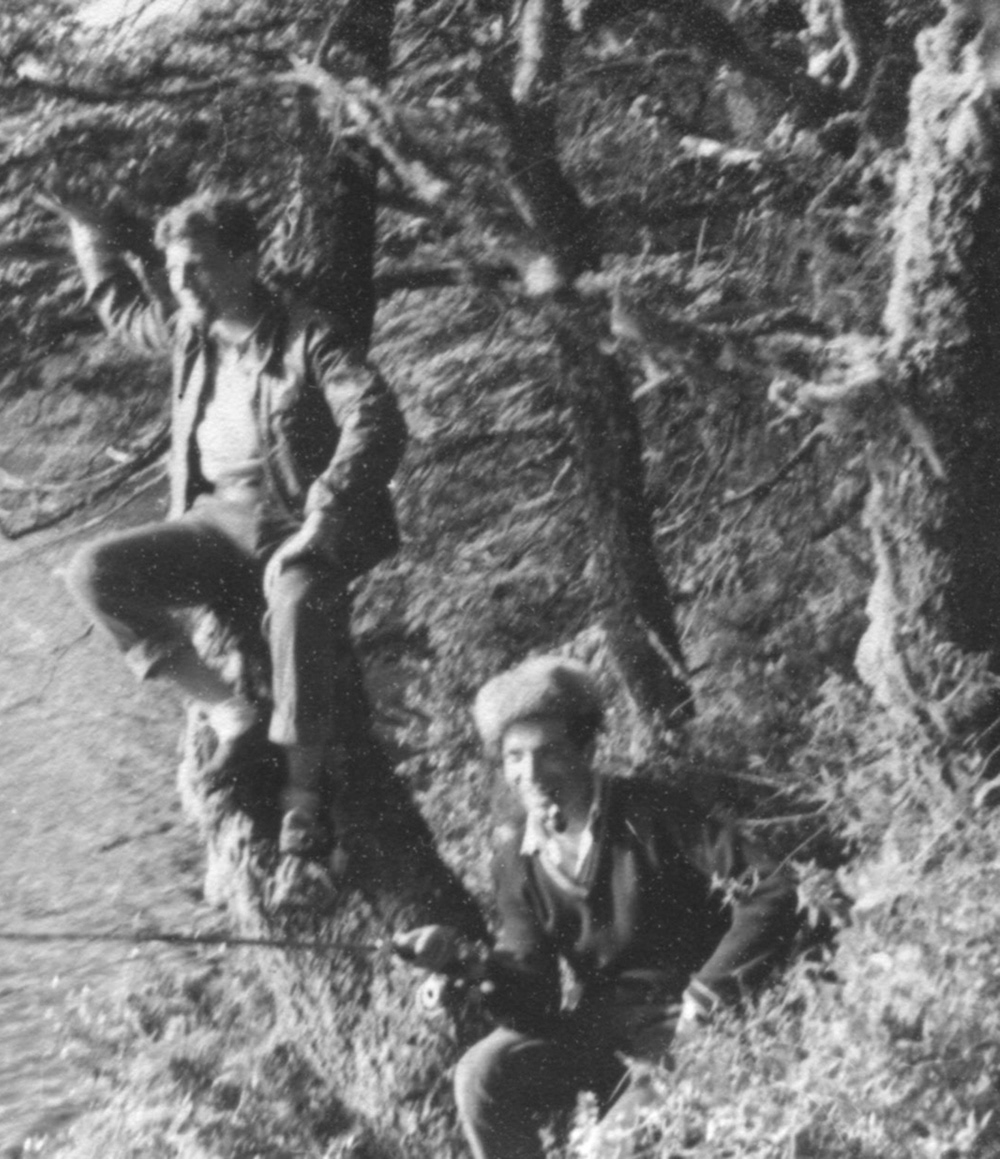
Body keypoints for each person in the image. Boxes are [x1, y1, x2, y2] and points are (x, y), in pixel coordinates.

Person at [41, 189, 408, 911]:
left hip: (292, 521)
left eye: (200, 269)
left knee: (299, 592)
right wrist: (87, 233)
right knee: (92, 570)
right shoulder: (191, 332)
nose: (183, 286)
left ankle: (304, 798)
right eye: (177, 272)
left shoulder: (309, 338)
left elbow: (376, 414)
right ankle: (229, 712)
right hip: (213, 524)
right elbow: (119, 307)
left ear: (246, 259)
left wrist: (325, 513)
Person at [394, 657, 799, 1158]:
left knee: (606, 1151)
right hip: (599, 1031)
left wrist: (709, 995)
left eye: (549, 753)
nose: (530, 774)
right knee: (481, 1073)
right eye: (514, 757)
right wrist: (467, 962)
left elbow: (772, 888)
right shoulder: (517, 855)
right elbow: (535, 999)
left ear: (586, 748)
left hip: (686, 1025)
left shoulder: (651, 811)